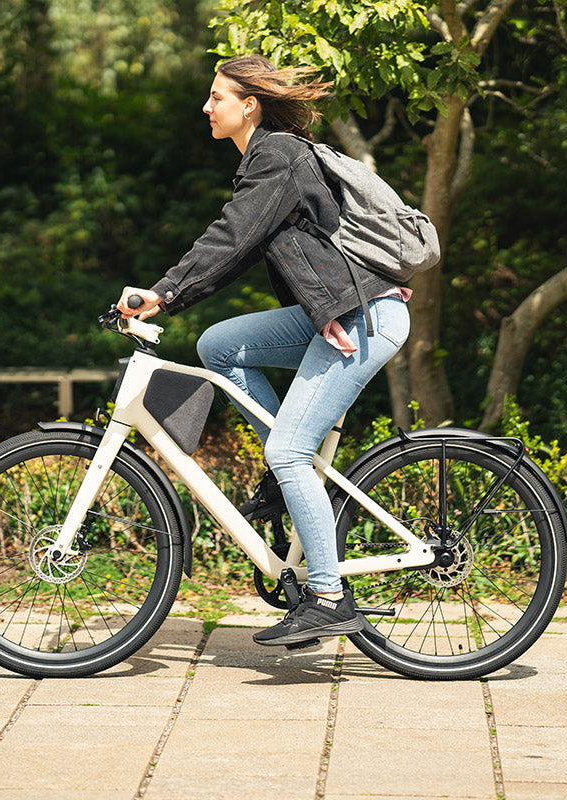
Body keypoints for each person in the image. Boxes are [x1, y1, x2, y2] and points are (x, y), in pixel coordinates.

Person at [116, 54, 411, 647]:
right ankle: (286, 478)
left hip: (362, 318)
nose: (206, 106)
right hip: (338, 314)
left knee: (288, 449)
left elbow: (231, 237)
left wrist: (164, 293)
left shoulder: (276, 155)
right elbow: (245, 246)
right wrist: (174, 296)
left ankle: (328, 598)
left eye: (216, 97)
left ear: (249, 105)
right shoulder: (270, 158)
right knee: (219, 345)